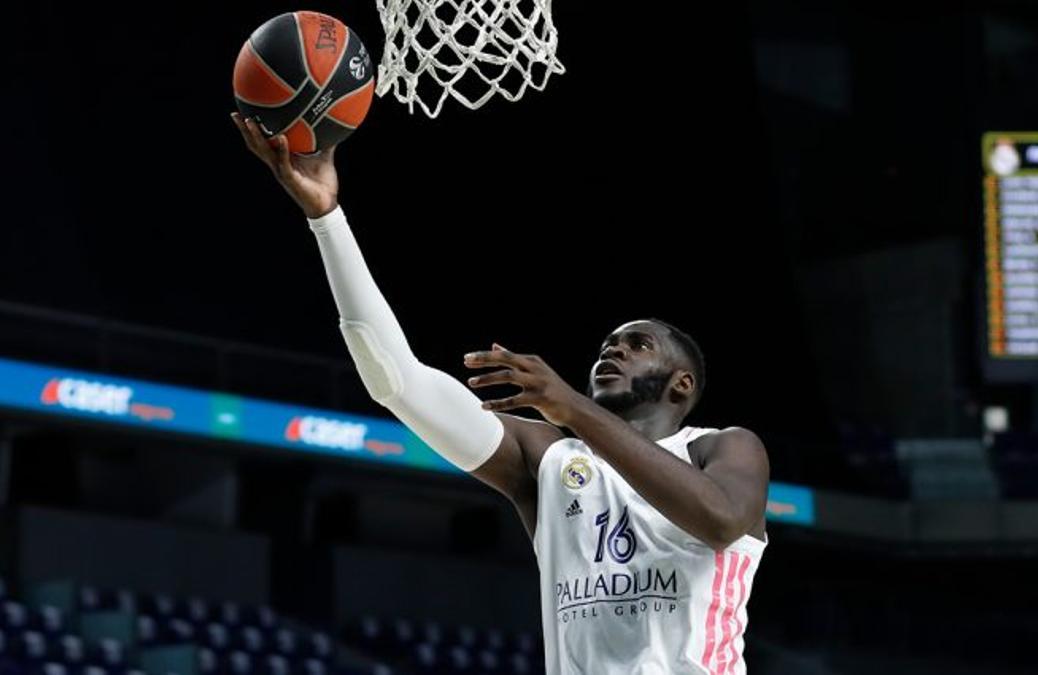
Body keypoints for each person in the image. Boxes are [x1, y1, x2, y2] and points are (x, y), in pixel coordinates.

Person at [231, 113, 770, 674]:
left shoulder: (722, 447)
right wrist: (326, 218)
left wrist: (574, 409)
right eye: (608, 343)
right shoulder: (549, 460)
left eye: (637, 345)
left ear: (682, 383)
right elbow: (396, 381)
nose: (613, 350)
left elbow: (721, 520)